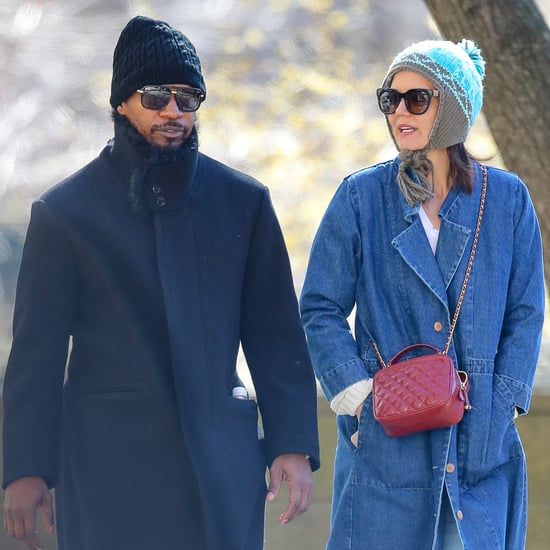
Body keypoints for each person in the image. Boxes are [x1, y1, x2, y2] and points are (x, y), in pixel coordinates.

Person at [2, 15, 320, 550]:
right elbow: (37, 354)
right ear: (123, 101)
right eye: (156, 96)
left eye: (187, 97)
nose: (173, 110)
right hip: (107, 470)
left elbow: (276, 334)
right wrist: (26, 470)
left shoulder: (243, 202)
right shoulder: (64, 213)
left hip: (221, 462)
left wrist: (291, 443)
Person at [300, 38, 544, 550]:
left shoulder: (505, 199)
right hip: (387, 432)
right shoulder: (361, 196)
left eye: (418, 99)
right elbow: (320, 306)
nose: (400, 112)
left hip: (480, 437)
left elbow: (525, 310)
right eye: (391, 99)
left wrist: (502, 403)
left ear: (453, 107)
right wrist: (359, 397)